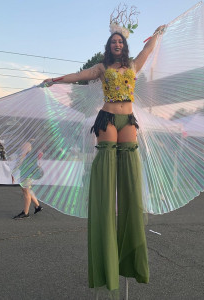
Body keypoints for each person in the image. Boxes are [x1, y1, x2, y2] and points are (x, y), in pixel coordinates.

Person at [43, 24, 165, 293]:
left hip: (128, 120)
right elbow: (79, 76)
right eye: (114, 42)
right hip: (108, 119)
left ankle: (130, 256)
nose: (117, 44)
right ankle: (107, 253)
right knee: (107, 178)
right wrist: (56, 80)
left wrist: (157, 34)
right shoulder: (102, 68)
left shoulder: (133, 66)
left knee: (131, 182)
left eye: (120, 41)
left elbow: (147, 49)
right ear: (109, 46)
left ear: (125, 45)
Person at [13, 139, 43, 219]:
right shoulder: (33, 149)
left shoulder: (26, 149)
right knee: (27, 190)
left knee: (26, 192)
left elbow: (20, 161)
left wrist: (14, 171)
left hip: (26, 173)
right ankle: (38, 206)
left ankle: (26, 213)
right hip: (27, 172)